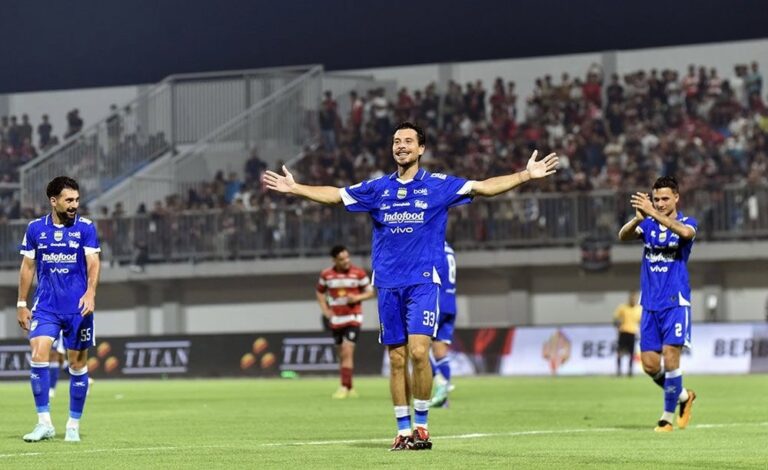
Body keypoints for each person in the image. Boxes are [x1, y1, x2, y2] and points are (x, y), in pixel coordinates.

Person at [265, 121, 558, 450]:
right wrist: (296, 188)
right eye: (396, 141)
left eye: (408, 140)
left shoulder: (438, 186)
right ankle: (403, 430)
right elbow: (336, 196)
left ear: (421, 148)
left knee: (420, 353)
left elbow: (483, 187)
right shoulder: (378, 189)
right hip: (388, 284)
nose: (401, 145)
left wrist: (524, 175)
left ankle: (421, 426)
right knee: (396, 359)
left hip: (422, 282)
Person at [17, 176, 101, 443]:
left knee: (77, 365)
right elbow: (27, 267)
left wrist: (90, 292)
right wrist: (21, 303)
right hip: (46, 307)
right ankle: (44, 423)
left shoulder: (86, 228)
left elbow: (93, 263)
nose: (75, 204)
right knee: (39, 353)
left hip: (78, 308)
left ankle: (73, 425)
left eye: (77, 199)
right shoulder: (34, 229)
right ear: (54, 201)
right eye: (69, 200)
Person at [618, 175, 697, 433]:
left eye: (665, 198)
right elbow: (623, 236)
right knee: (650, 365)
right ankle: (684, 396)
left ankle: (666, 418)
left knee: (671, 358)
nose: (660, 203)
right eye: (656, 199)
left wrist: (653, 213)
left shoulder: (688, 224)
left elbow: (685, 233)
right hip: (650, 304)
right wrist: (639, 219)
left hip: (676, 302)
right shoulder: (649, 225)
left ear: (676, 197)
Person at [315, 245, 375, 399]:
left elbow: (370, 292)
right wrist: (325, 310)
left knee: (348, 350)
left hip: (353, 317)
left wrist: (357, 298)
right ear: (334, 260)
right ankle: (350, 386)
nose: (346, 261)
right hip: (336, 318)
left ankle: (343, 386)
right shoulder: (326, 275)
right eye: (342, 259)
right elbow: (320, 292)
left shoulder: (358, 273)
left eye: (347, 257)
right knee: (341, 354)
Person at [429, 241, 457, 408]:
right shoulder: (449, 249)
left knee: (417, 346)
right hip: (451, 303)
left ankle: (439, 382)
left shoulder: (432, 247)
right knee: (440, 353)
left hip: (436, 302)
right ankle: (444, 399)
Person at [613, 291, 642, 377]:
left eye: (635, 298)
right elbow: (615, 318)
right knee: (620, 353)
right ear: (629, 299)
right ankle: (619, 371)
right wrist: (617, 326)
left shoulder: (638, 309)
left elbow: (641, 321)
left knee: (631, 354)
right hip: (623, 332)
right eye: (632, 298)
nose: (633, 300)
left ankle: (630, 371)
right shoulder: (622, 308)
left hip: (633, 333)